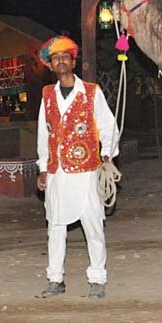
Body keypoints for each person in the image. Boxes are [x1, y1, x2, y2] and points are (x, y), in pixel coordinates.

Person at [36, 35, 119, 299]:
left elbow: (108, 126)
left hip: (86, 173)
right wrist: (42, 167)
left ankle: (97, 278)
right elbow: (43, 134)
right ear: (51, 65)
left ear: (73, 61)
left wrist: (107, 156)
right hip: (58, 173)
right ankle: (55, 279)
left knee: (93, 226)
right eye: (55, 58)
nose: (60, 61)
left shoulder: (92, 92)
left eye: (65, 57)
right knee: (55, 228)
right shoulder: (47, 95)